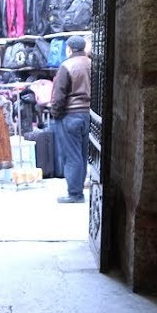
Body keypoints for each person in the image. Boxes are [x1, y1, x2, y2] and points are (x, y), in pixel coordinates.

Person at [49, 35, 91, 203]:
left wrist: (55, 113)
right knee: (82, 155)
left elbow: (59, 96)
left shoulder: (66, 66)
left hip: (70, 115)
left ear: (69, 49)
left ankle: (75, 193)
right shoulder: (91, 64)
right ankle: (78, 189)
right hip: (88, 115)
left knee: (72, 156)